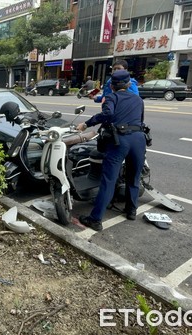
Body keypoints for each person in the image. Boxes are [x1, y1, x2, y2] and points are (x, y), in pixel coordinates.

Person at [75, 69, 146, 231]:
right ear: (128, 84)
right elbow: (140, 120)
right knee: (133, 177)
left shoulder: (112, 97)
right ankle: (131, 211)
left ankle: (95, 219)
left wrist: (86, 124)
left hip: (119, 140)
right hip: (139, 139)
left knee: (108, 180)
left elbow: (107, 114)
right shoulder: (138, 99)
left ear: (112, 86)